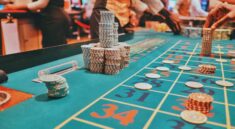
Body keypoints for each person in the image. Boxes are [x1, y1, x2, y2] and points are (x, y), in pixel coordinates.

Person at [90, 0, 181, 39]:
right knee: (103, 54)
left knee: (114, 55)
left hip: (118, 21)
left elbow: (136, 3)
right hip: (103, 15)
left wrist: (162, 17)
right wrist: (167, 14)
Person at [4, 0, 70, 48]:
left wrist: (16, 7)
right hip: (60, 16)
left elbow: (41, 3)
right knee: (60, 47)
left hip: (53, 19)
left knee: (52, 48)